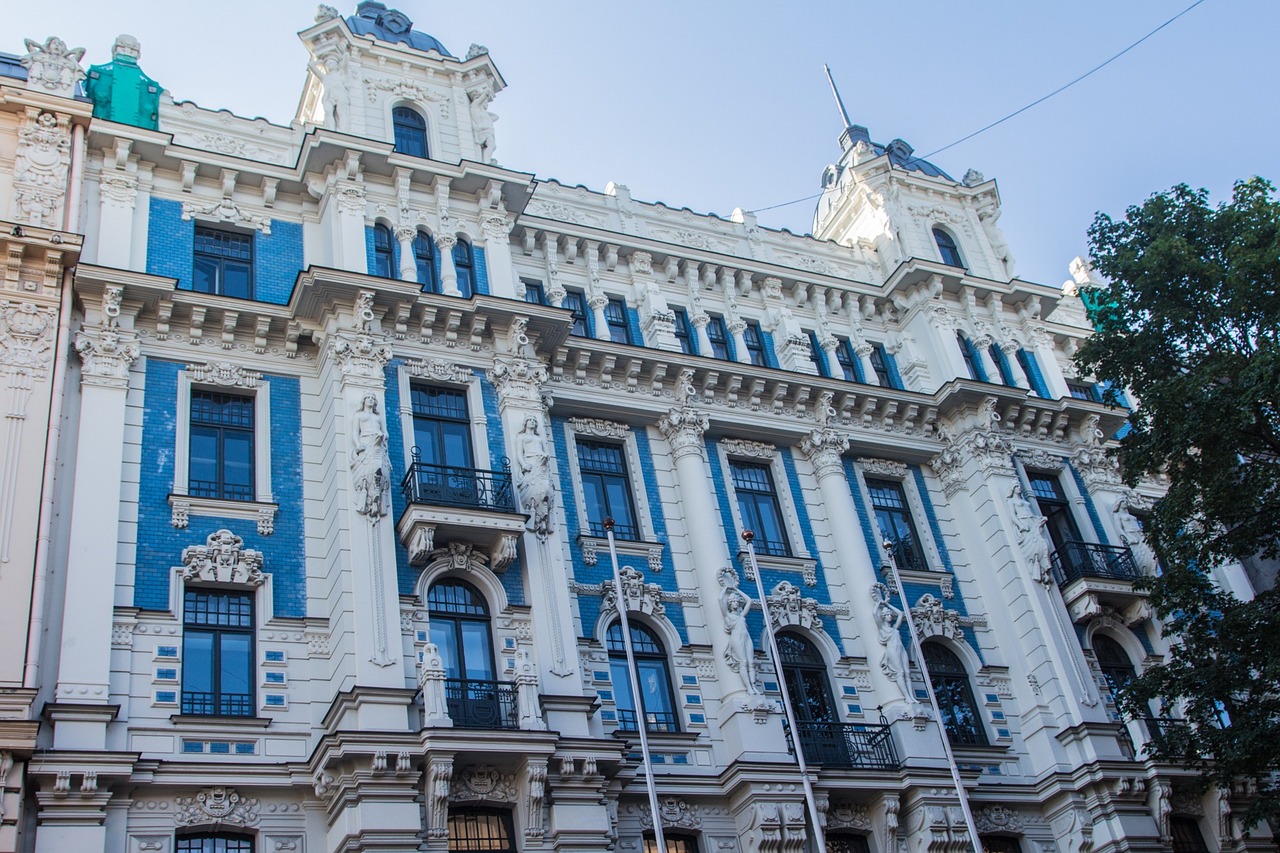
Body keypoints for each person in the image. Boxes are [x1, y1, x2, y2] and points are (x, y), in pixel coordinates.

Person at [719, 568, 759, 694]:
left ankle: (754, 687)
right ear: (730, 604)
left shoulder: (741, 615)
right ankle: (748, 688)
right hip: (736, 638)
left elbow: (749, 601)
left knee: (751, 662)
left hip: (746, 638)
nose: (736, 603)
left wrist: (737, 590)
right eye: (733, 601)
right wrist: (725, 589)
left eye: (736, 601)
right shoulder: (728, 616)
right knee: (743, 662)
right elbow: (720, 600)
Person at [350, 393, 390, 517]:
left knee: (379, 468)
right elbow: (355, 432)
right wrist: (358, 445)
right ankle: (367, 494)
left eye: (373, 398)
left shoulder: (378, 418)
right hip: (366, 442)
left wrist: (383, 437)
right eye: (369, 398)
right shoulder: (359, 415)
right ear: (364, 401)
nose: (371, 400)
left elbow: (386, 433)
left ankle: (377, 494)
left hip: (378, 443)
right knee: (368, 469)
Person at [872, 583, 911, 701]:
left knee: (907, 672)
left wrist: (887, 604)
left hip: (901, 650)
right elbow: (874, 614)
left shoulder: (894, 628)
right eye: (887, 614)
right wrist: (878, 603)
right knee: (899, 672)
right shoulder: (883, 629)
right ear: (883, 617)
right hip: (892, 650)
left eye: (889, 614)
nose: (890, 616)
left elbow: (900, 614)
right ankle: (907, 697)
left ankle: (911, 697)